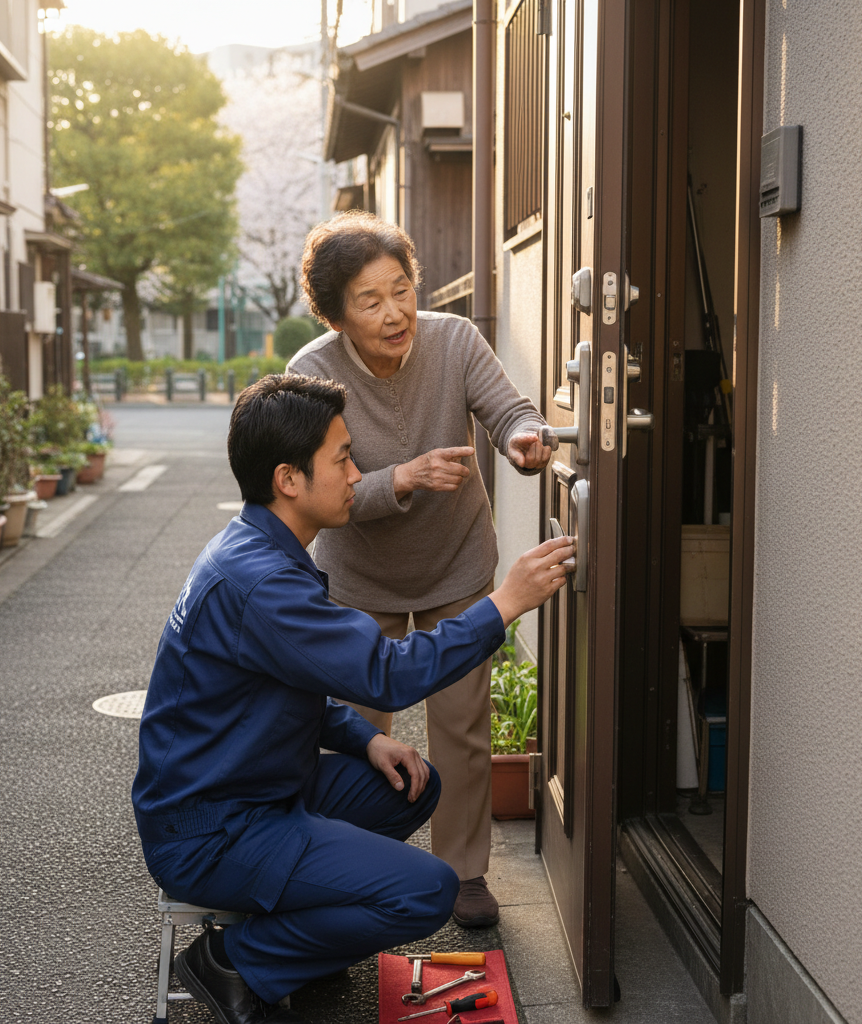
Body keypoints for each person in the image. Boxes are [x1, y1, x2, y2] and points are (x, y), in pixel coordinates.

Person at [132, 374, 574, 1024]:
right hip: (215, 829)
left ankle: (306, 926)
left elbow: (287, 679)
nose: (356, 473)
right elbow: (388, 673)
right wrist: (503, 604)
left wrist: (364, 736)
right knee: (427, 893)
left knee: (413, 785)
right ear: (289, 479)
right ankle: (237, 962)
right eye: (342, 458)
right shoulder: (262, 583)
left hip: (254, 786)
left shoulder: (256, 549)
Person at [288, 212, 553, 928]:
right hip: (357, 580)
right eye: (369, 301)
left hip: (456, 564)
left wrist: (526, 438)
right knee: (358, 732)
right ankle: (355, 868)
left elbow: (508, 410)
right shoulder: (312, 372)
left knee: (462, 730)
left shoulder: (454, 339)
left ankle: (464, 872)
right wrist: (401, 478)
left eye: (400, 289)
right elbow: (325, 497)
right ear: (336, 312)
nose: (394, 312)